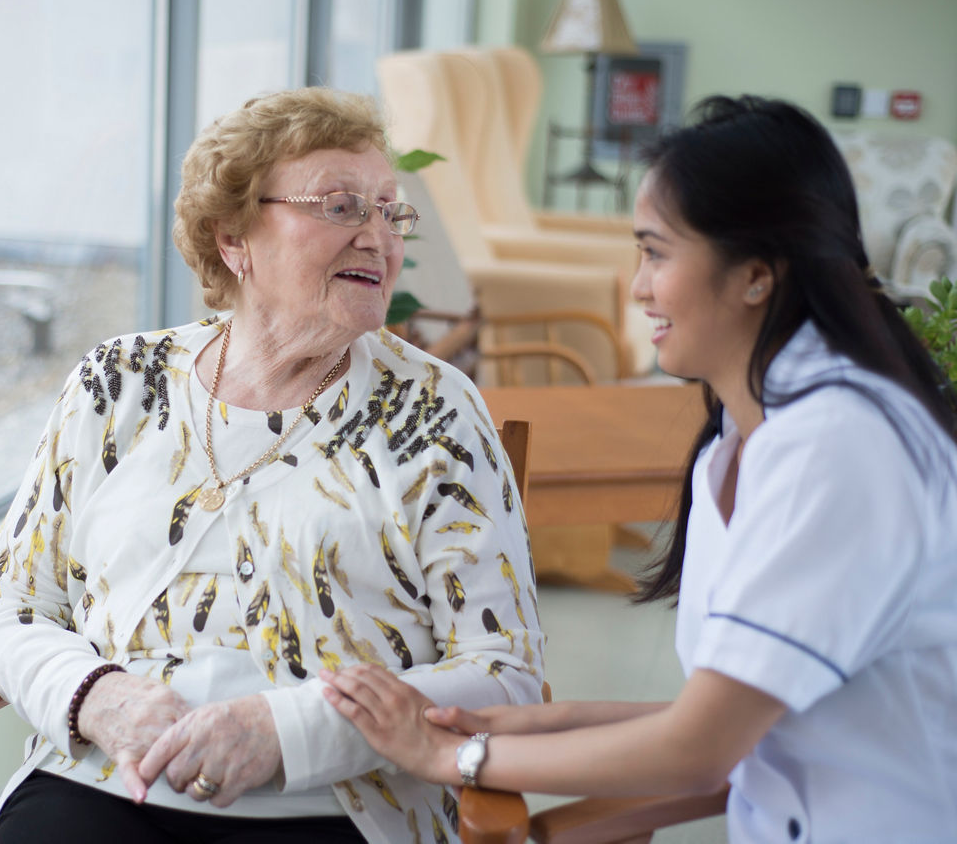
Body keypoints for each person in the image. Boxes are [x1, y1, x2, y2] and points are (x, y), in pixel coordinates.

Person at [321, 95, 957, 843]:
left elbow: (703, 747)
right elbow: (730, 723)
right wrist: (524, 725)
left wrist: (457, 755)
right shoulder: (737, 440)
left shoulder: (840, 449)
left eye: (656, 252)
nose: (637, 287)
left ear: (757, 275)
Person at [0, 87, 544, 844]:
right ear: (233, 238)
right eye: (341, 206)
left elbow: (506, 669)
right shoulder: (119, 382)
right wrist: (98, 696)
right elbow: (9, 607)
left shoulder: (433, 410)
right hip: (102, 782)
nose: (379, 236)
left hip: (337, 803)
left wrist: (285, 728)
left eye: (389, 211)